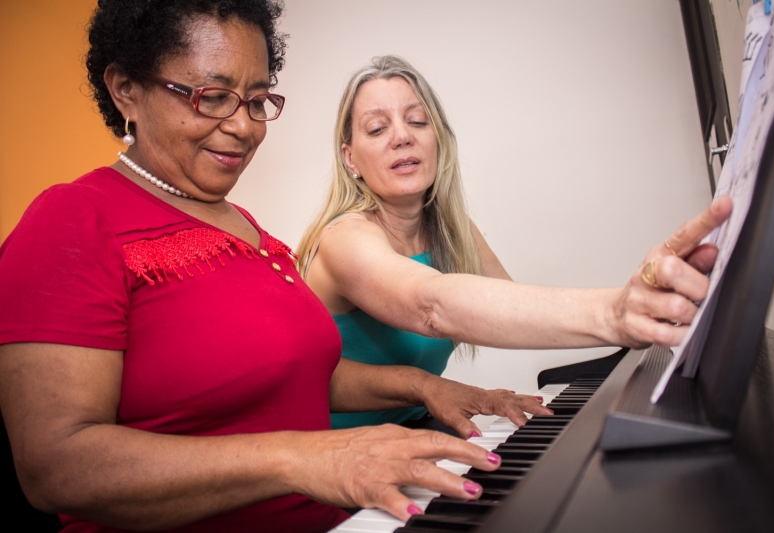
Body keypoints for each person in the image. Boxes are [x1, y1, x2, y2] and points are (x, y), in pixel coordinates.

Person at [0, 3, 549, 532]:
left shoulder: (250, 231)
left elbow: (303, 374)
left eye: (257, 100)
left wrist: (425, 387)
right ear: (127, 90)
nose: (243, 127)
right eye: (213, 96)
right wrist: (302, 458)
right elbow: (56, 466)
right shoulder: (72, 219)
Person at [297, 55, 732, 431]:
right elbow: (431, 306)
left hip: (415, 431)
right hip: (334, 460)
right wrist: (616, 312)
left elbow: (509, 306)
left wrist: (650, 309)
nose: (402, 136)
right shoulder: (344, 238)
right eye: (377, 128)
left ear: (439, 139)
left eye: (417, 120)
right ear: (350, 158)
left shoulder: (451, 228)